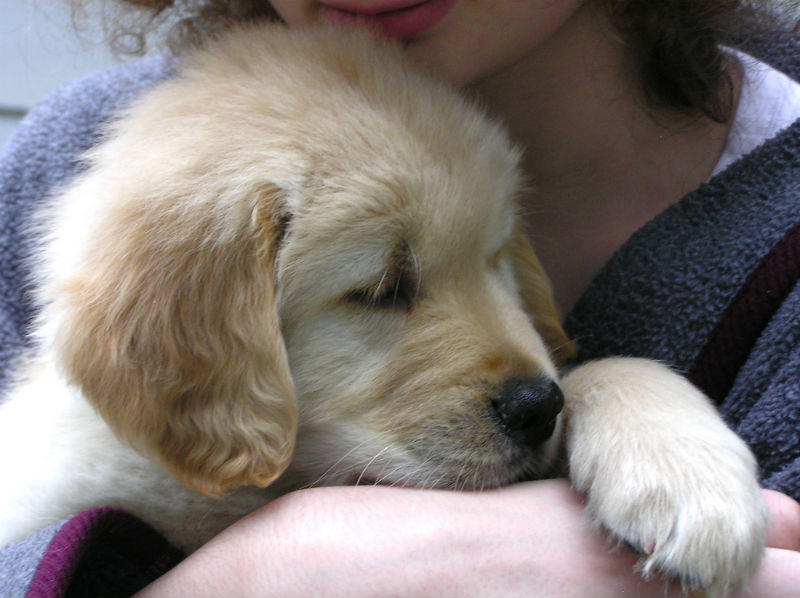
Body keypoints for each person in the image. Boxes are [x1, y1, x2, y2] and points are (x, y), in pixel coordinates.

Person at [0, 1, 799, 596]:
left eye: (499, 258)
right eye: (385, 290)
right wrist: (256, 575)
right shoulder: (78, 161)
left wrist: (618, 396)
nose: (527, 370)